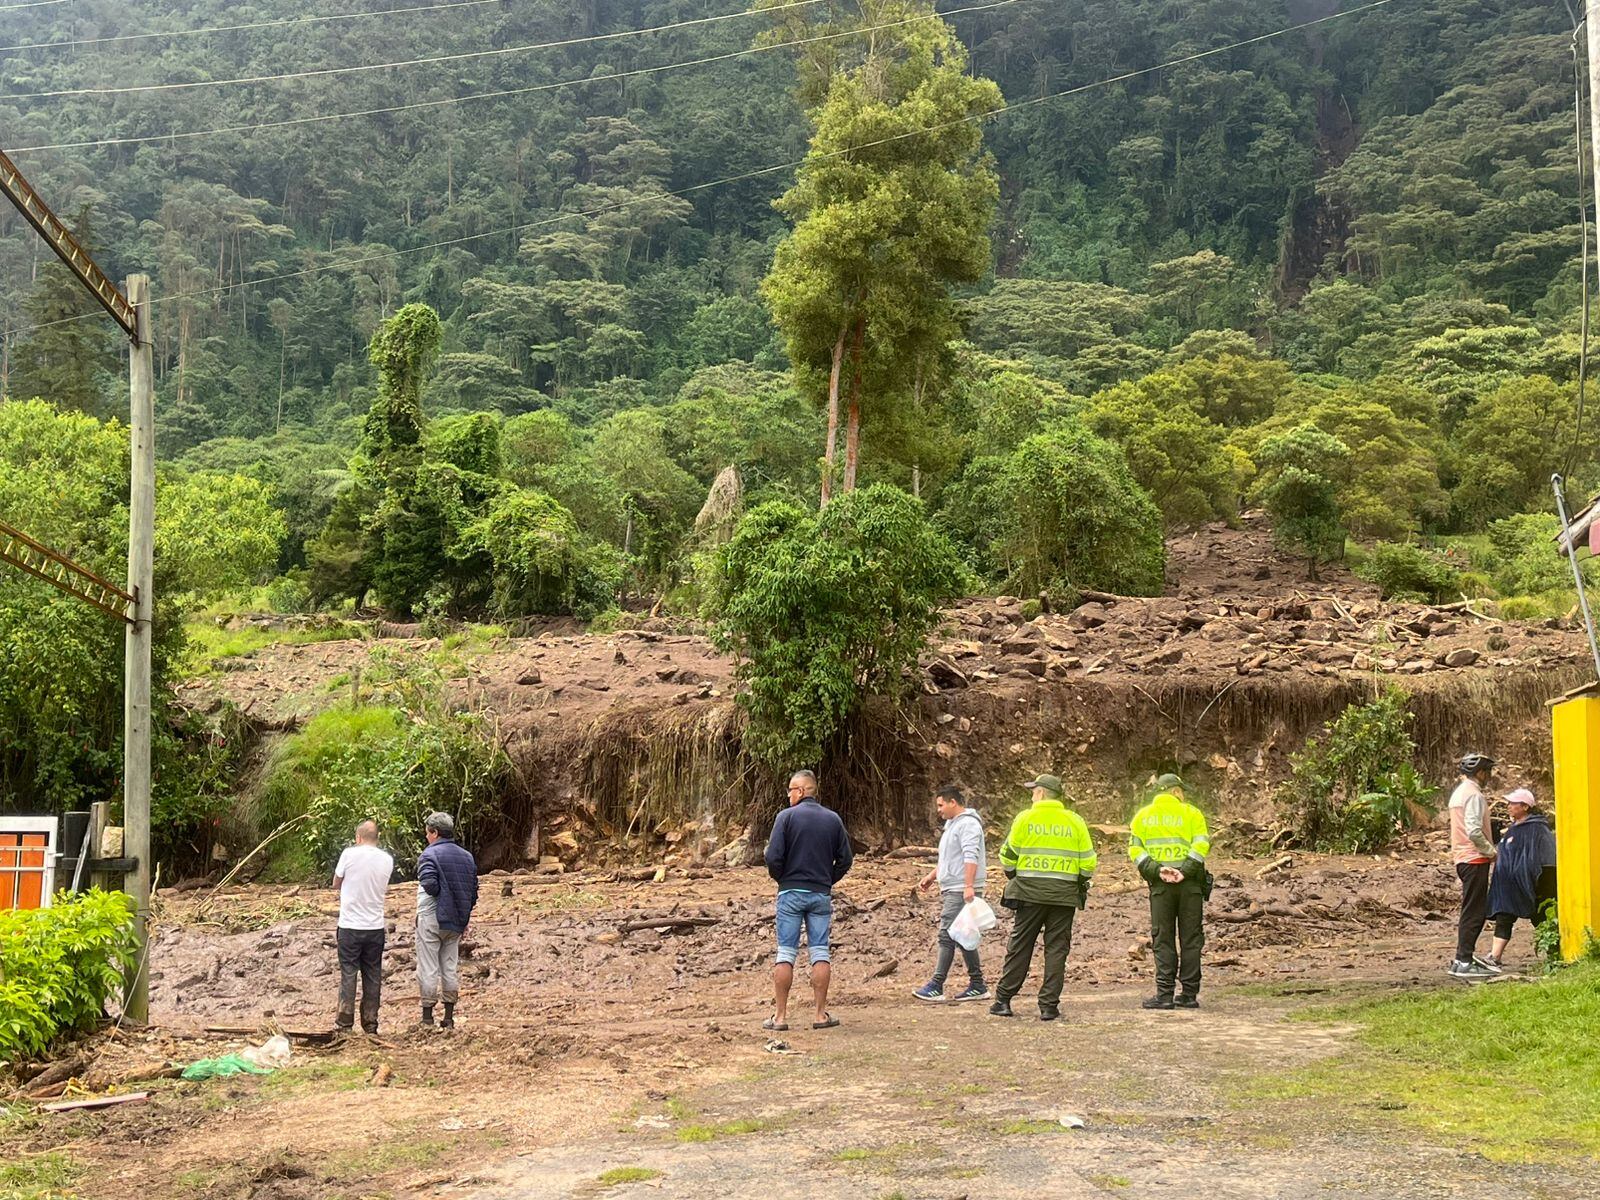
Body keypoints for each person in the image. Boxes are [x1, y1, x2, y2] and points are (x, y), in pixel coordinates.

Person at [989, 774, 1097, 1021]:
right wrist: (1078, 881)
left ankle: (1003, 1000)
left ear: (1041, 793)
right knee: (1057, 949)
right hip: (1064, 895)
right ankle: (1049, 1006)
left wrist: (1014, 874)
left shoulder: (1026, 818)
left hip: (1029, 893)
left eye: (1033, 790)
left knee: (1020, 946)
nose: (1031, 795)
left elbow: (1007, 855)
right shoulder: (1075, 821)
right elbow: (1089, 861)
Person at [762, 769, 854, 1031]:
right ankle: (819, 1015)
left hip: (790, 893)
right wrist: (827, 880)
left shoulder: (786, 817)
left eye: (791, 789)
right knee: (820, 951)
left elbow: (773, 856)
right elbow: (846, 859)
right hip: (820, 894)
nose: (789, 794)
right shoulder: (833, 819)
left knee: (786, 952)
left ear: (801, 791)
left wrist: (782, 878)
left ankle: (779, 1017)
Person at [1129, 774, 1211, 1010]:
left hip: (1161, 884)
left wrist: (1157, 869)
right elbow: (1201, 844)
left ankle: (1164, 994)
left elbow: (1135, 849)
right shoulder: (1192, 813)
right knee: (1191, 938)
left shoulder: (1143, 816)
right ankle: (1189, 994)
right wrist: (1184, 870)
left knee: (1163, 938)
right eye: (1181, 790)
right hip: (1190, 884)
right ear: (1175, 792)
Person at [913, 785, 990, 1003]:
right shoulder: (952, 825)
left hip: (960, 889)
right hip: (953, 886)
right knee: (964, 934)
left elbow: (970, 855)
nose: (938, 810)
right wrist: (932, 876)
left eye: (940, 805)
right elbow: (949, 859)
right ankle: (978, 984)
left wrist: (968, 886)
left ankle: (936, 984)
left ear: (952, 802)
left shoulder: (968, 825)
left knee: (947, 934)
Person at [416, 811, 479, 1029]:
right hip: (456, 921)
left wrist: (442, 897)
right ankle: (449, 1018)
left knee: (429, 967)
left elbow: (430, 885)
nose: (426, 837)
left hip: (432, 917)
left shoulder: (429, 855)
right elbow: (473, 892)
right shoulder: (467, 857)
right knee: (450, 967)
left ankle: (427, 1017)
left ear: (434, 832)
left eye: (427, 833)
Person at [332, 820, 394, 1035]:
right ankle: (370, 1022)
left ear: (358, 838)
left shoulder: (349, 854)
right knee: (373, 973)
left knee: (349, 972)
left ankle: (344, 1022)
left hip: (350, 925)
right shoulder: (387, 859)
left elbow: (336, 882)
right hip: (375, 926)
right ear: (377, 838)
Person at [1484, 788, 1557, 969]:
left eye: (1513, 803)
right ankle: (1495, 956)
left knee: (1541, 917)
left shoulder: (1538, 828)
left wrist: (1541, 882)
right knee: (1504, 916)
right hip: (1510, 885)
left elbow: (1548, 859)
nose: (1508, 806)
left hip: (1534, 884)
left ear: (1525, 806)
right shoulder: (1513, 829)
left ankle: (1555, 953)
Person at [1448, 753, 1499, 979]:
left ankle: (1463, 958)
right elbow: (1474, 830)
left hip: (1461, 857)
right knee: (1475, 912)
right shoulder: (1474, 795)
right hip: (1474, 858)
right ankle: (1464, 960)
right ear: (1480, 773)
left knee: (1470, 909)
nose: (1489, 777)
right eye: (1487, 772)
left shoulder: (1458, 793)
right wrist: (1491, 852)